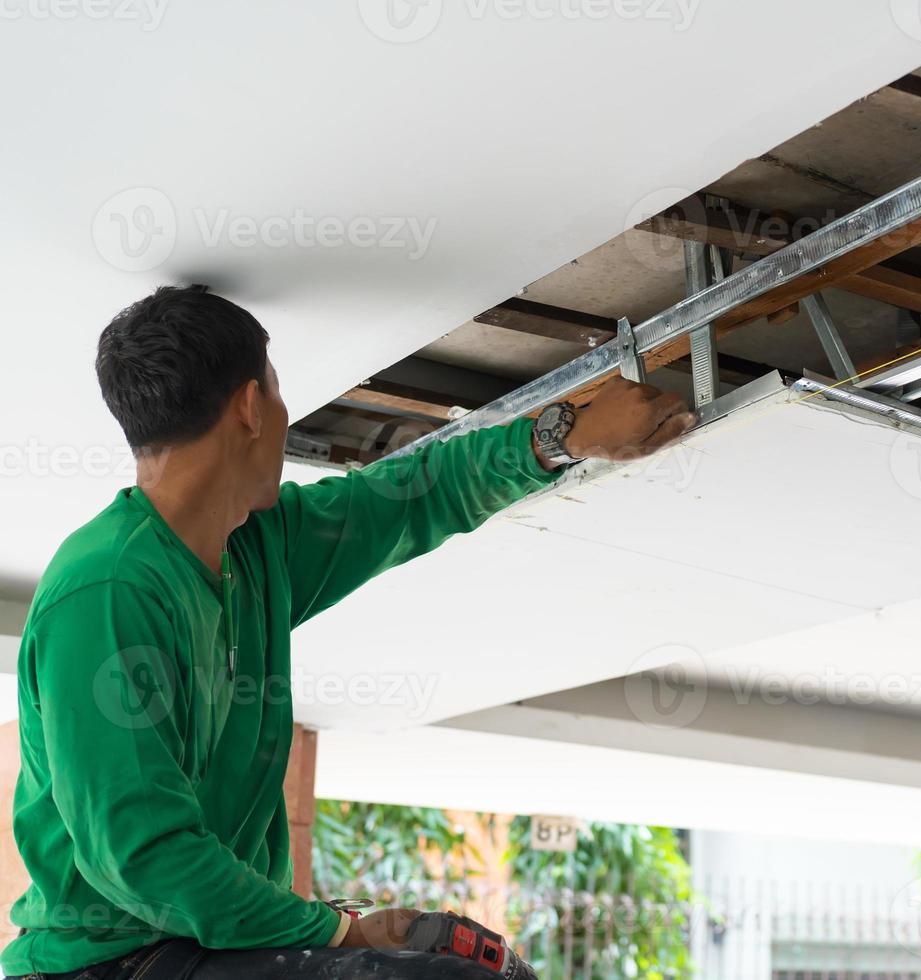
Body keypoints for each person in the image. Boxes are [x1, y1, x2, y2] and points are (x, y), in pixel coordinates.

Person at [3, 285, 695, 979]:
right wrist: (337, 933)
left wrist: (563, 433)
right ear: (250, 406)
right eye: (278, 394)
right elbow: (143, 855)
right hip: (105, 964)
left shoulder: (255, 545)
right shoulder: (109, 592)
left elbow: (409, 499)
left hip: (200, 947)